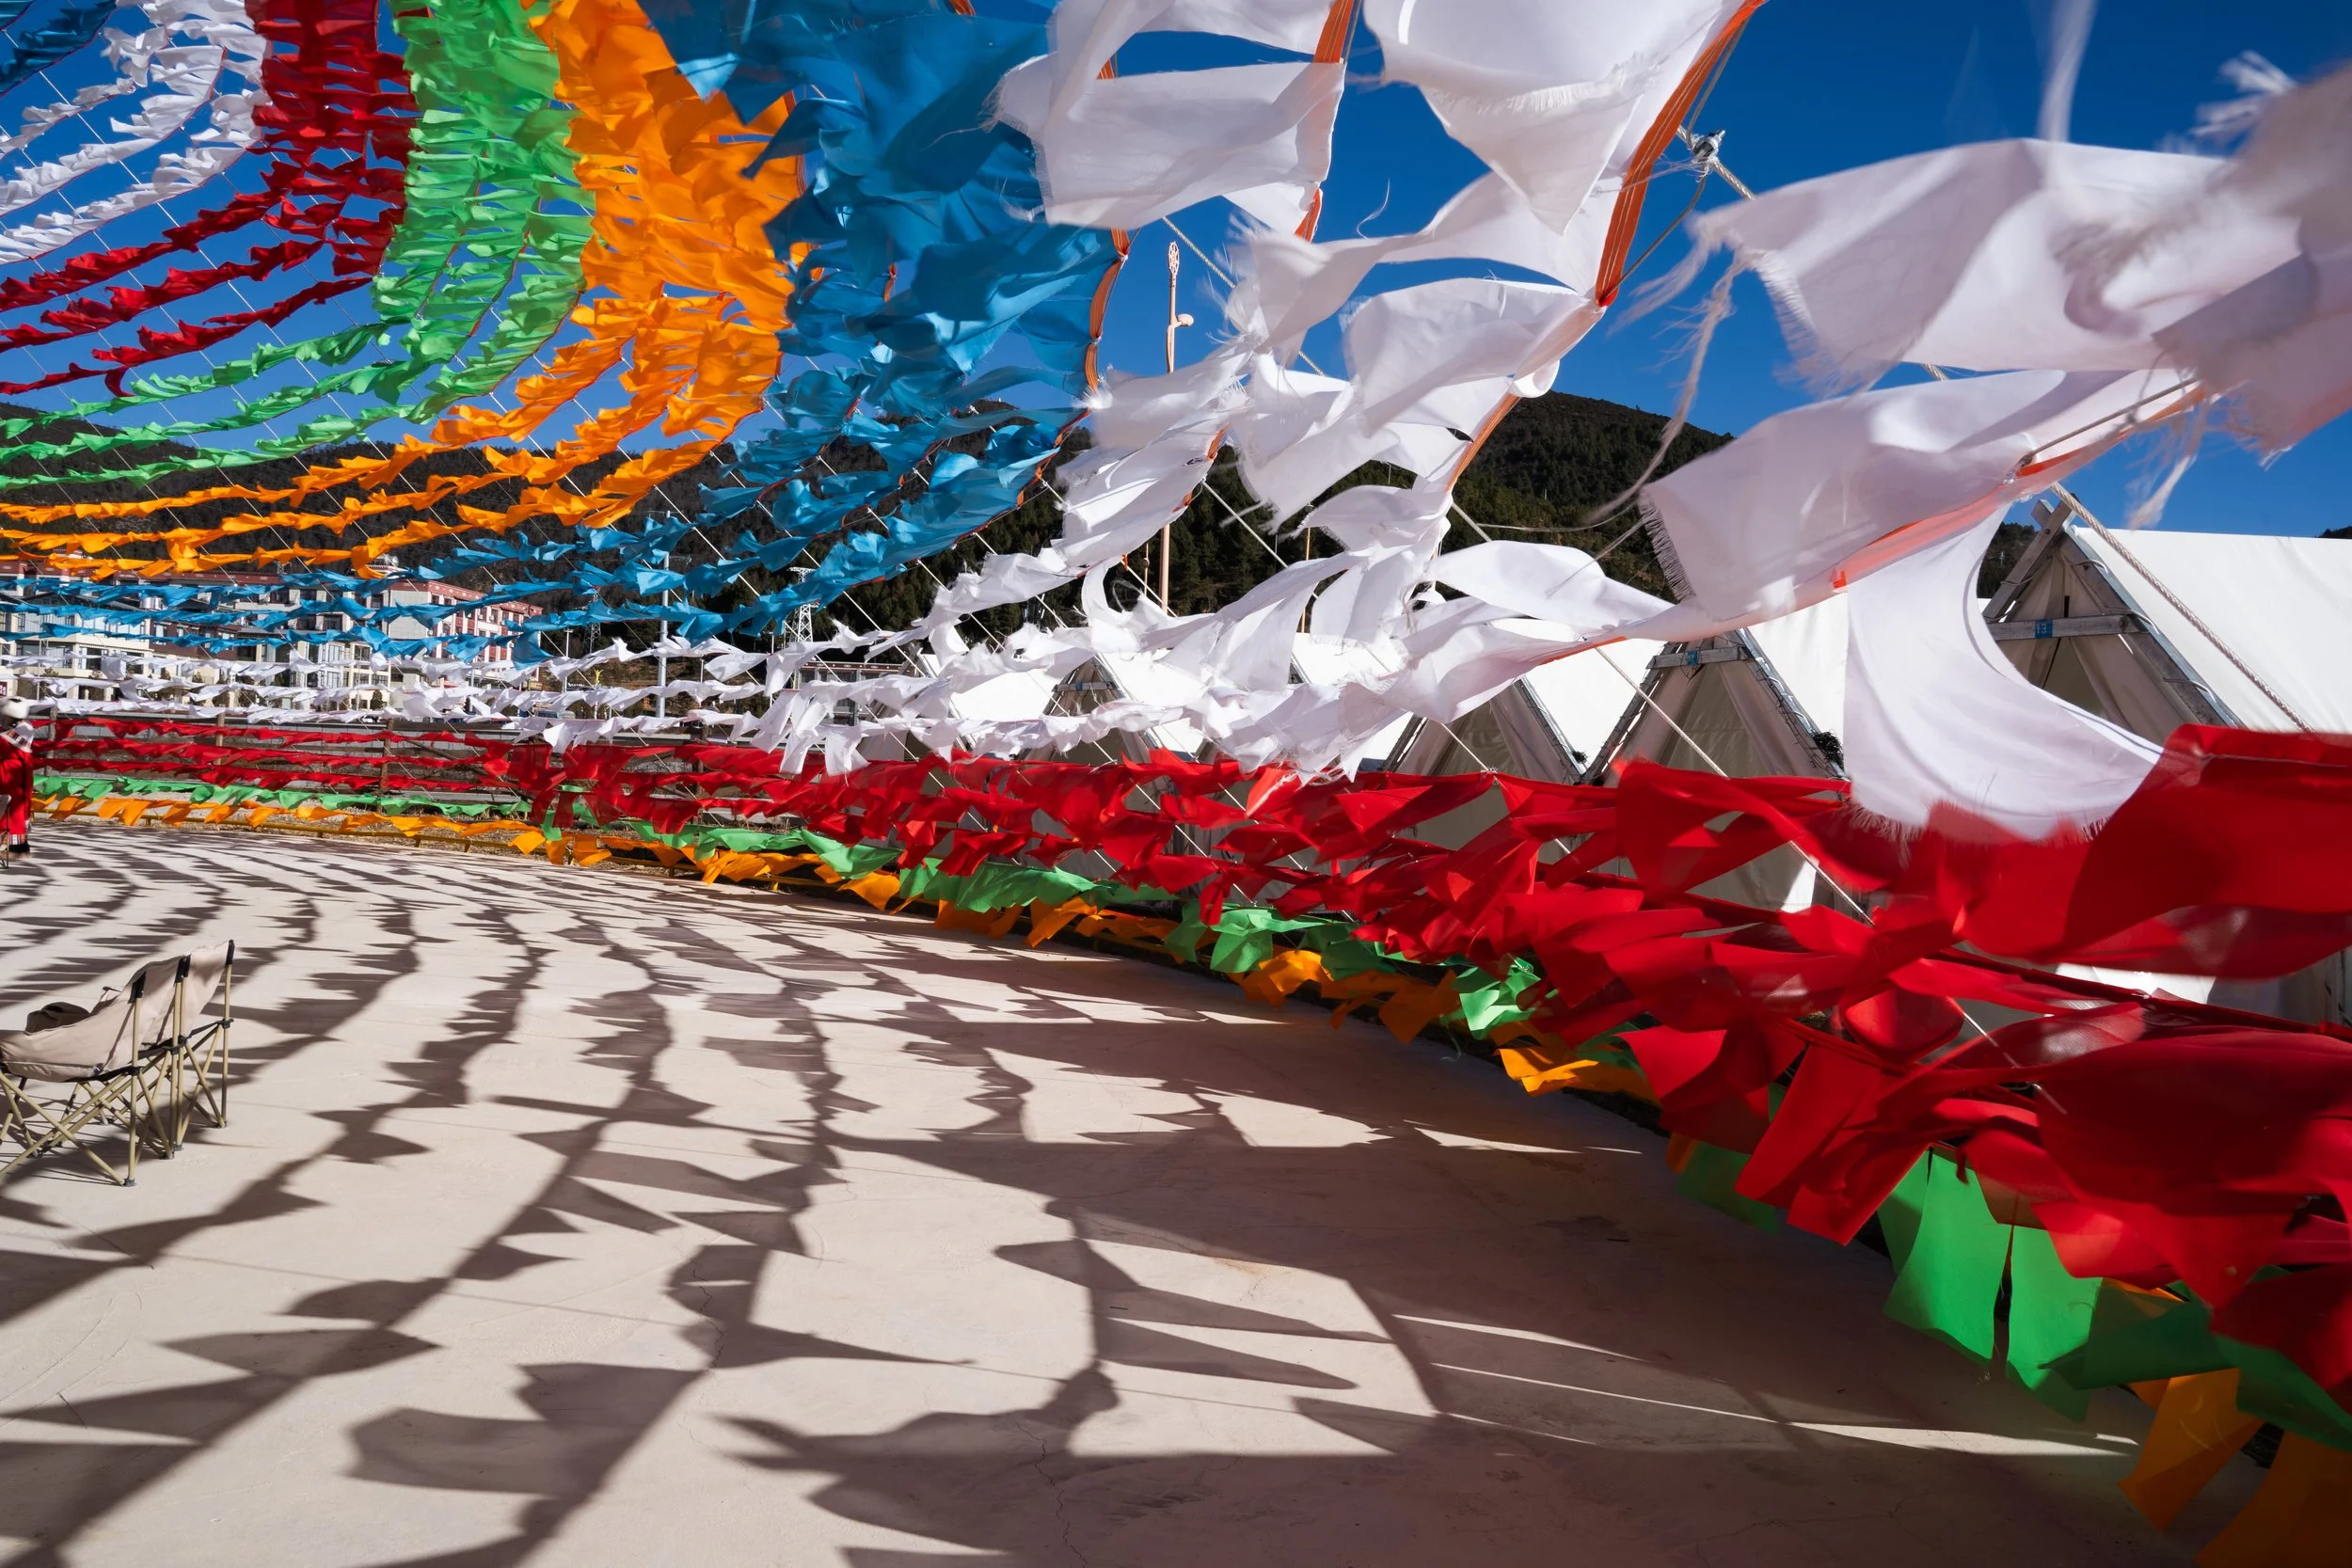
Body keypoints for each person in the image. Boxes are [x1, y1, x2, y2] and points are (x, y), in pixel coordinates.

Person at [0, 697, 34, 859]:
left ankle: (11, 847)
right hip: (8, 771)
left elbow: (6, 743)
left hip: (11, 773)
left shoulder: (24, 729)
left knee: (12, 808)